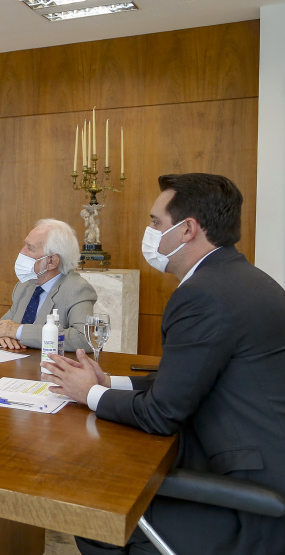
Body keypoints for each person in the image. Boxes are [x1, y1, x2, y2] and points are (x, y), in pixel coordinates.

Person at [43, 174, 285, 555]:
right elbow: (188, 380)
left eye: (156, 222)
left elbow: (161, 415)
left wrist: (88, 393)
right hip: (263, 463)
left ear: (187, 229)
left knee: (96, 517)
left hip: (246, 498)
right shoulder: (244, 279)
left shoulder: (201, 296)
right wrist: (110, 382)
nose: (149, 231)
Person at [0, 218, 96, 352]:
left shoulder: (77, 288)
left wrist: (19, 332)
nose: (22, 252)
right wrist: (3, 336)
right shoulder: (24, 286)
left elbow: (84, 339)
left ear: (52, 261)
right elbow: (2, 328)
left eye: (30, 248)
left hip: (51, 369)